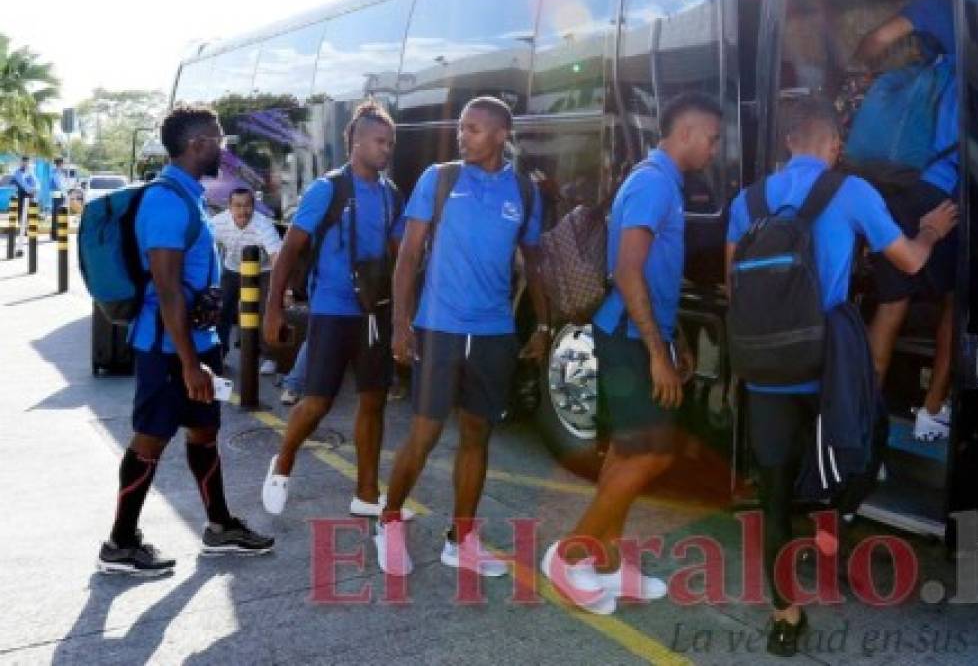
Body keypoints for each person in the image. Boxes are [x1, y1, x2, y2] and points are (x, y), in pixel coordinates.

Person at [724, 98, 957, 655]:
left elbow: (734, 283)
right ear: (834, 147)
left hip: (765, 372)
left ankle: (785, 616)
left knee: (774, 495)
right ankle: (829, 546)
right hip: (826, 369)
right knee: (855, 451)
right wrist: (929, 230)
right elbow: (909, 263)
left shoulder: (747, 200)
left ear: (786, 142)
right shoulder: (850, 191)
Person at [539, 92, 720, 616]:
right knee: (654, 453)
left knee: (626, 452)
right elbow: (628, 270)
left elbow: (656, 272)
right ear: (685, 132)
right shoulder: (651, 183)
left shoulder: (661, 183)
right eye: (711, 138)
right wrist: (656, 353)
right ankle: (568, 556)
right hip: (625, 338)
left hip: (636, 333)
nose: (714, 148)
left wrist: (672, 337)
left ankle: (608, 564)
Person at [376, 96, 549, 579]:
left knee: (478, 435)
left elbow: (535, 263)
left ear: (500, 135)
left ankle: (462, 539)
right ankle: (389, 523)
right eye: (461, 127)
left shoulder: (524, 191)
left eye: (473, 128)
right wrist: (400, 324)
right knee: (426, 432)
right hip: (440, 326)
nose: (462, 135)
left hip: (495, 332)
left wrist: (546, 325)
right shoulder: (440, 178)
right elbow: (408, 256)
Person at [98, 106, 274, 576]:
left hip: (197, 342)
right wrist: (190, 362)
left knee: (204, 430)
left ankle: (219, 527)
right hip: (169, 350)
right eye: (218, 139)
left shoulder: (188, 195)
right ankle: (120, 542)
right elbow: (168, 287)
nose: (225, 148)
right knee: (151, 440)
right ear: (197, 144)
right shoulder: (164, 201)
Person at [261, 102, 405, 519]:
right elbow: (290, 251)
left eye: (391, 142)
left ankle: (366, 494)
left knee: (373, 400)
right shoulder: (329, 189)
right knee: (317, 401)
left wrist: (405, 313)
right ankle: (284, 460)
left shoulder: (391, 194)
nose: (387, 149)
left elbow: (402, 255)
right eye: (380, 141)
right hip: (332, 309)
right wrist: (274, 308)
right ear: (355, 142)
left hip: (373, 312)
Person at [852, 0, 960, 441]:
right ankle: (933, 408)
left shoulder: (930, 14)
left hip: (897, 183)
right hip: (941, 192)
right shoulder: (965, 14)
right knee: (957, 301)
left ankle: (862, 418)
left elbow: (876, 39)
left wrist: (862, 69)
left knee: (891, 304)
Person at [211, 187, 282, 370]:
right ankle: (220, 354)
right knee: (222, 310)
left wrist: (283, 290)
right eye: (238, 206)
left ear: (254, 205)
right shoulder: (218, 222)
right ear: (229, 207)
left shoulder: (263, 224)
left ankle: (269, 356)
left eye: (248, 205)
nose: (243, 211)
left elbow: (277, 257)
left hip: (263, 271)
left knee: (265, 311)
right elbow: (204, 247)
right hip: (232, 268)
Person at [13, 155, 38, 239]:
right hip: (22, 194)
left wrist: (36, 189)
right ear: (21, 162)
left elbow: (36, 182)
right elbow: (23, 183)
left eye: (27, 162)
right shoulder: (17, 172)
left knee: (30, 212)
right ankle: (22, 229)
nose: (25, 164)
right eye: (24, 162)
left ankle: (27, 229)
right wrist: (32, 190)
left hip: (30, 195)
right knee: (21, 212)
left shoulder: (30, 171)